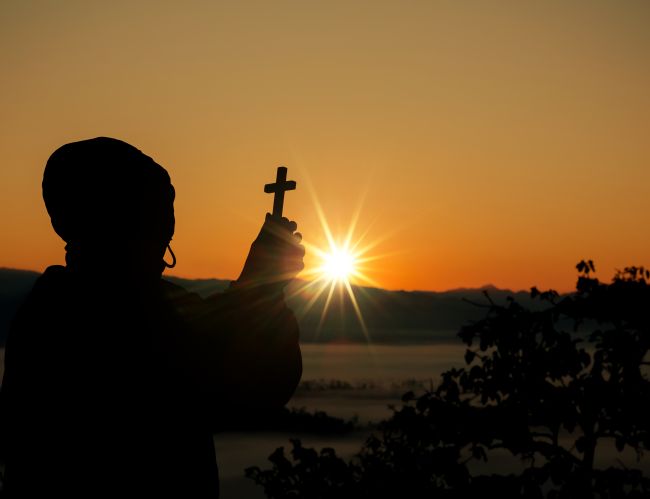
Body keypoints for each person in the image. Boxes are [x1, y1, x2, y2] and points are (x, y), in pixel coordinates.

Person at [0, 137, 304, 497]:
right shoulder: (111, 310)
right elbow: (245, 389)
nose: (167, 226)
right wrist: (260, 288)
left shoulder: (50, 304)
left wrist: (257, 287)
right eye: (158, 211)